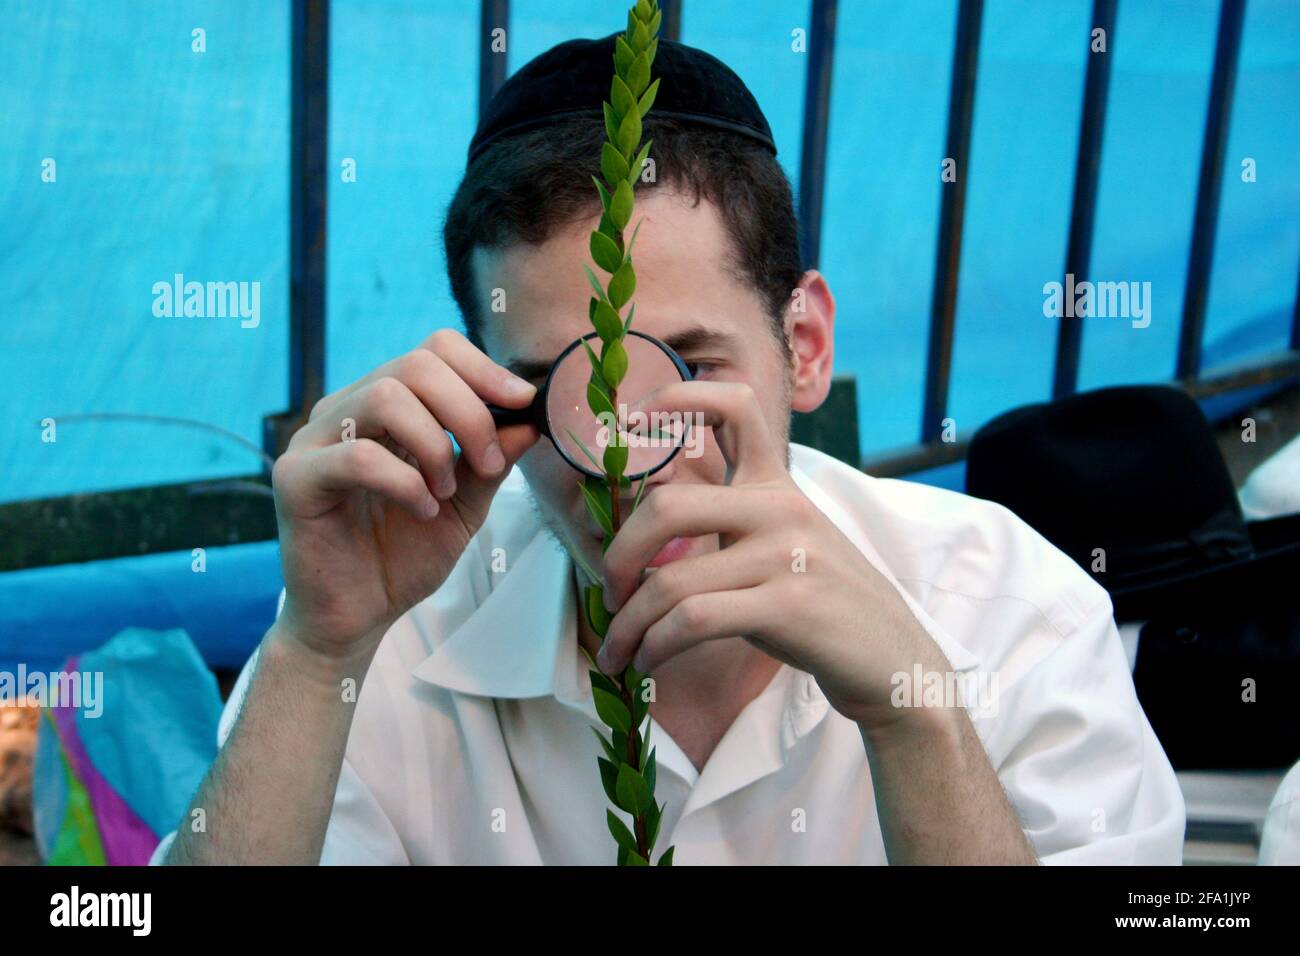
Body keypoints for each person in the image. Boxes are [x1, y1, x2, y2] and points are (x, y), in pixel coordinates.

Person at [155, 35, 1184, 865]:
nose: (623, 457)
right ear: (483, 392)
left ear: (804, 346)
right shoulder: (382, 633)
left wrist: (916, 720)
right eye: (560, 383)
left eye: (685, 368)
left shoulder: (1010, 614)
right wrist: (313, 652)